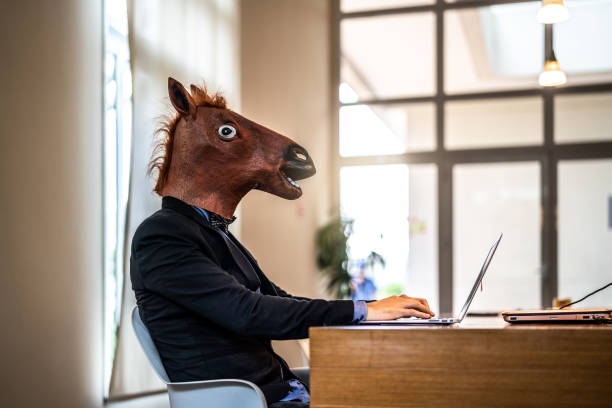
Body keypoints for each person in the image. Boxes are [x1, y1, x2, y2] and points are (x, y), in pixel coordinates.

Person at [131, 78, 435, 407]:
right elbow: (249, 312)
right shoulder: (161, 236)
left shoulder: (217, 233)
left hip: (284, 390)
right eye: (227, 133)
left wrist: (371, 309)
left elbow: (278, 300)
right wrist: (365, 310)